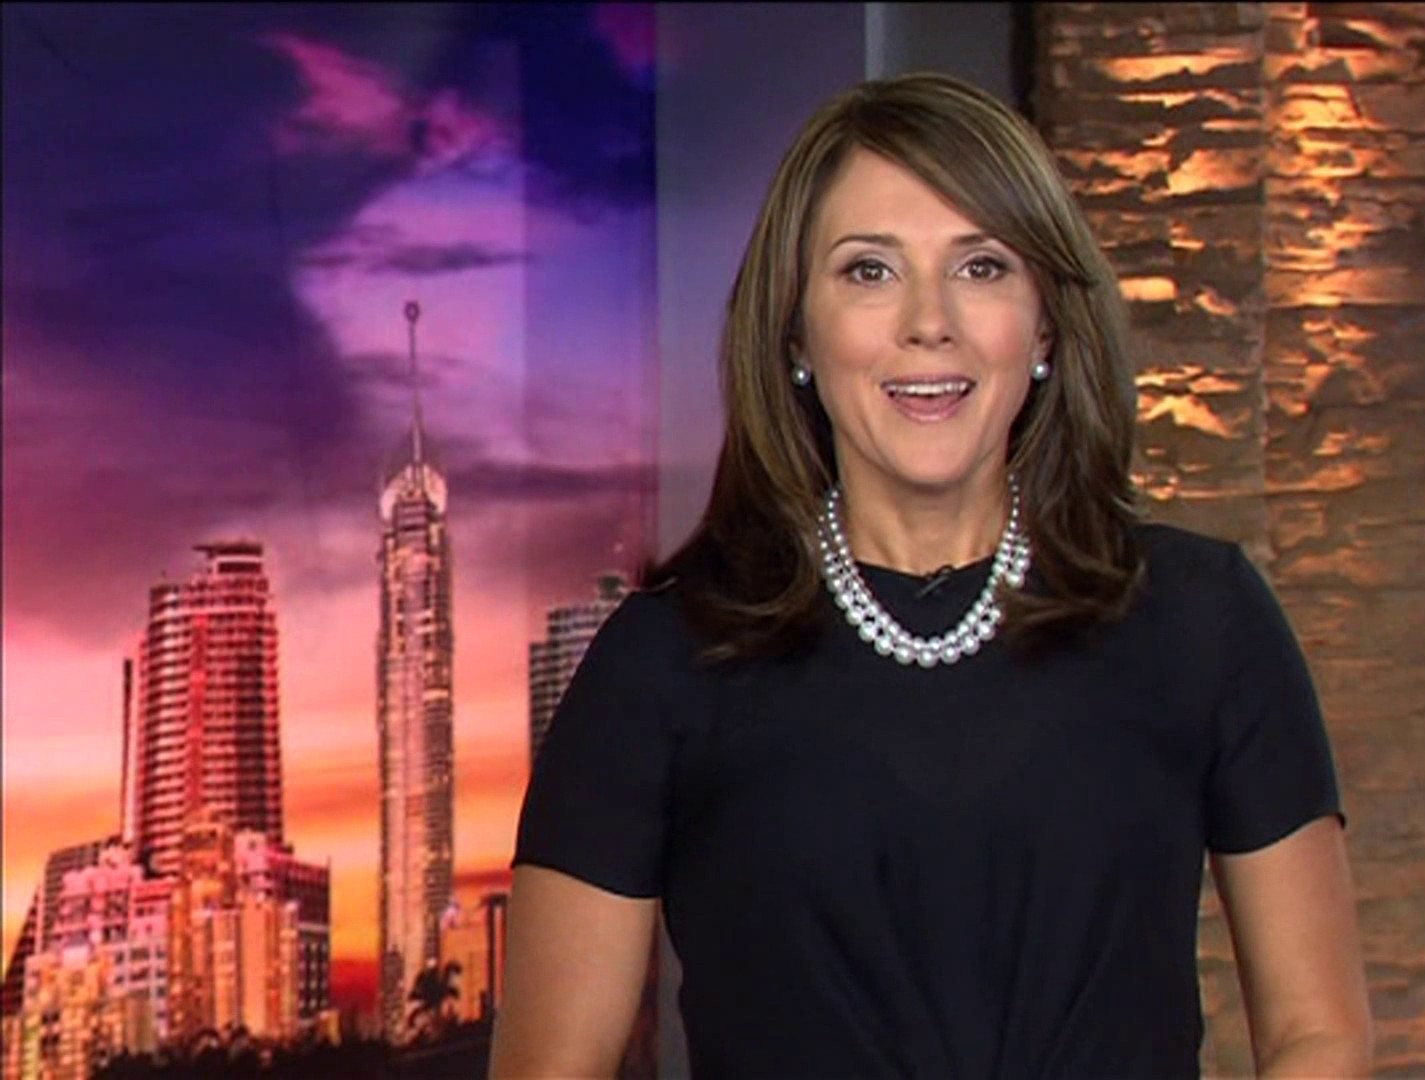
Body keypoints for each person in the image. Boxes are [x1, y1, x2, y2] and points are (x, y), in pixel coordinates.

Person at [490, 72, 1371, 1079]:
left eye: (982, 266)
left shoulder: (1202, 619)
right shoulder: (661, 663)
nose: (929, 321)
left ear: (1044, 327)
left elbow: (1319, 1038)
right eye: (869, 271)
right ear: (796, 332)